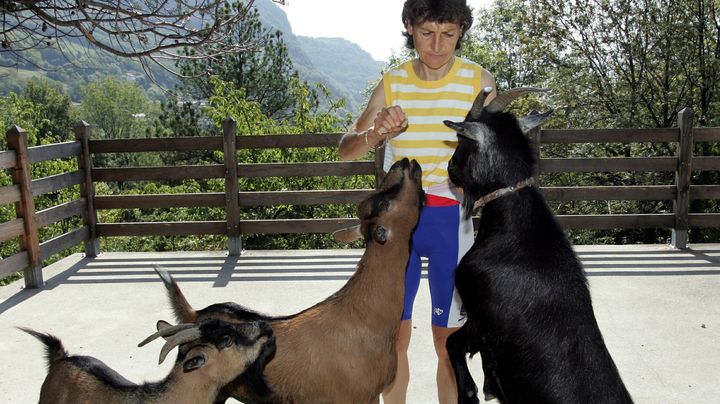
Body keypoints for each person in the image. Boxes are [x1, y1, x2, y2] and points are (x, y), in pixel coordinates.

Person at [338, 1, 496, 402]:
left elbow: (497, 154)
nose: (438, 45)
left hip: (452, 225)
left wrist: (474, 180)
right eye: (427, 32)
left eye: (449, 33)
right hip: (399, 226)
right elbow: (346, 149)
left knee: (448, 343)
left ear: (462, 29)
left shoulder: (481, 81)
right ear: (409, 27)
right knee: (394, 339)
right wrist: (376, 133)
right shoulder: (392, 82)